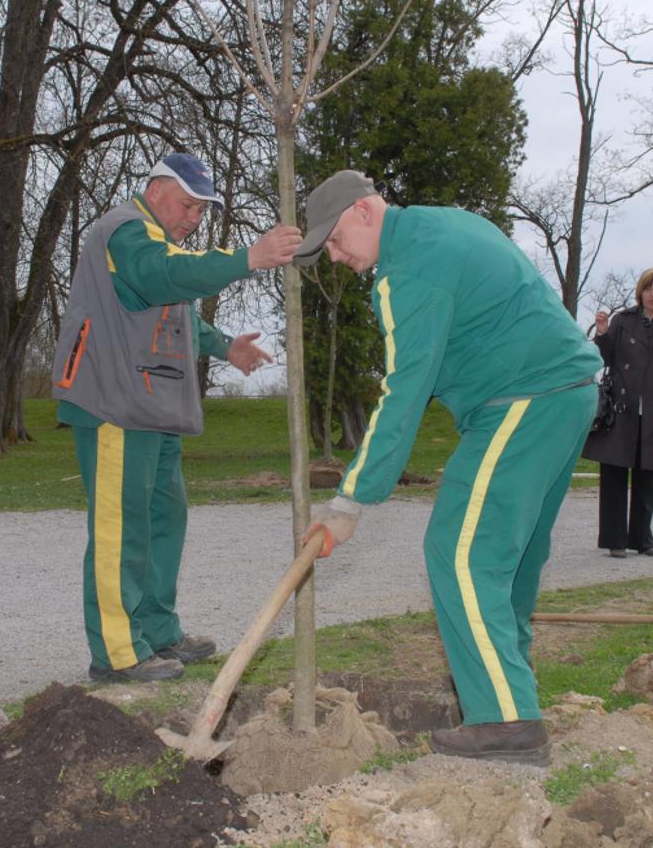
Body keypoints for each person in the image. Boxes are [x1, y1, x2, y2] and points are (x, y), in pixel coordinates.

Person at [295, 170, 601, 766]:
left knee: (459, 551)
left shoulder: (405, 272)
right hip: (567, 392)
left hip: (522, 398)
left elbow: (404, 392)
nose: (334, 258)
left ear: (363, 211)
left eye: (332, 241)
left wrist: (348, 502)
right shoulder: (443, 225)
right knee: (509, 557)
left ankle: (506, 721)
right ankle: (506, 688)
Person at [51, 152, 301, 683]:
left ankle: (158, 631)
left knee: (165, 519)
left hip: (151, 405)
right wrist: (247, 258)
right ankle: (117, 652)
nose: (193, 219)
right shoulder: (125, 231)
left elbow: (176, 311)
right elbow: (160, 278)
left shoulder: (159, 241)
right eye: (188, 206)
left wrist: (224, 346)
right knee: (124, 528)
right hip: (114, 402)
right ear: (157, 189)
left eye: (201, 212)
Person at [581, 267, 653, 558]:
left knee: (645, 476)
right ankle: (615, 539)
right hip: (622, 407)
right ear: (640, 291)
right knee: (614, 473)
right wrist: (602, 334)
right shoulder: (624, 320)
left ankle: (642, 538)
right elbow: (605, 358)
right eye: (649, 288)